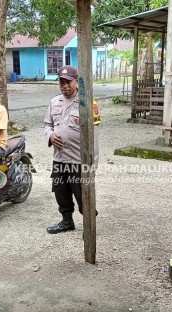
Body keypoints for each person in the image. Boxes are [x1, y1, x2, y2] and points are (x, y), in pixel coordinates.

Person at [44, 65, 100, 234]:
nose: (65, 86)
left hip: (78, 160)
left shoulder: (88, 103)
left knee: (82, 194)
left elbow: (94, 136)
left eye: (68, 82)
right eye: (61, 82)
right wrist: (51, 135)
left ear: (76, 81)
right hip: (59, 159)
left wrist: (93, 165)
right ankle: (66, 221)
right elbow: (47, 124)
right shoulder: (55, 102)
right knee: (60, 191)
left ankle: (89, 224)